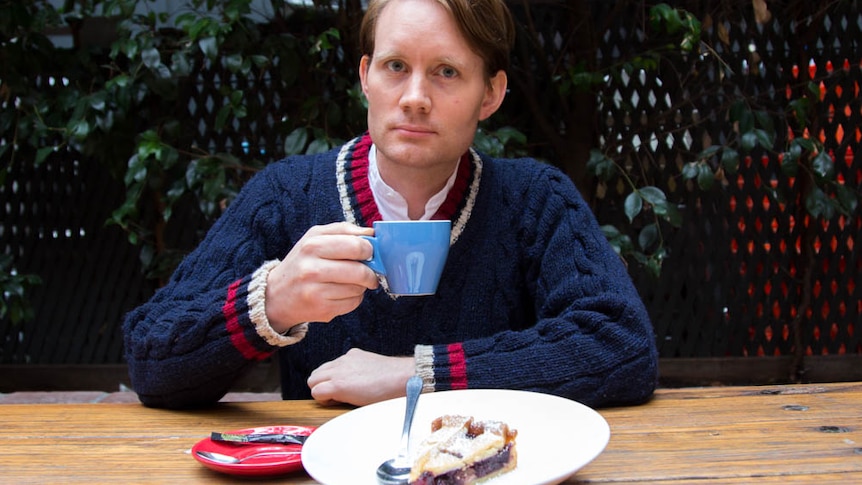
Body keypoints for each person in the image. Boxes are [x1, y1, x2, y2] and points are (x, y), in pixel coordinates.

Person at [123, 0, 658, 409]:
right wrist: (272, 302)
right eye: (396, 65)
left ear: (490, 94)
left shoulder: (534, 199)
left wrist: (422, 374)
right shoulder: (285, 195)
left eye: (447, 71)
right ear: (365, 77)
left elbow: (620, 344)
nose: (414, 97)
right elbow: (151, 357)